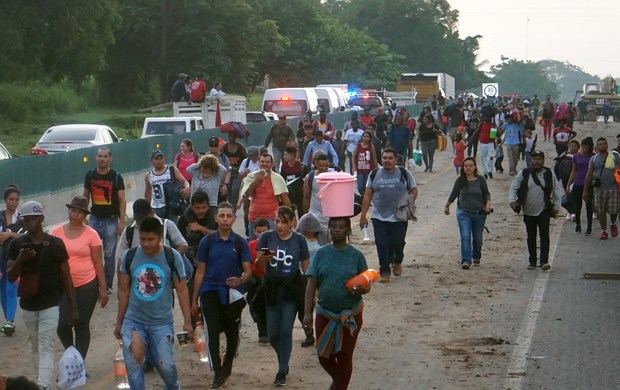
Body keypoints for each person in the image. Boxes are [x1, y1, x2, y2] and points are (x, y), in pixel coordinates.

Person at [114, 216, 192, 390]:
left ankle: (172, 386)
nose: (146, 244)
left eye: (151, 239)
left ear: (160, 237)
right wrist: (119, 321)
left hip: (161, 322)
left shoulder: (173, 257)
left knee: (166, 367)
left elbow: (182, 290)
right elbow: (123, 290)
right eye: (143, 239)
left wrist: (188, 321)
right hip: (134, 320)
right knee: (134, 366)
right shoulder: (130, 256)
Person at [7, 201, 78, 389]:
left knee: (46, 344)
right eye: (27, 219)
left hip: (50, 303)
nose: (30, 223)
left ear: (41, 219)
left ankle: (43, 385)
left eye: (34, 219)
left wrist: (73, 306)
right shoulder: (16, 244)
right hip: (28, 304)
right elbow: (10, 276)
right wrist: (21, 260)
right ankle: (40, 382)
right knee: (36, 345)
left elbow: (66, 276)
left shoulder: (55, 244)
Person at [303, 216, 370, 390]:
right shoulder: (321, 254)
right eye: (333, 226)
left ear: (348, 230)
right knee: (323, 356)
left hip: (351, 315)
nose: (337, 229)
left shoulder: (356, 256)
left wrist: (360, 289)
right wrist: (307, 313)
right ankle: (339, 383)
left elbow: (366, 284)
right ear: (328, 230)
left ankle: (338, 386)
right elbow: (311, 285)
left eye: (341, 226)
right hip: (325, 313)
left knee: (345, 356)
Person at [192, 202, 253, 389]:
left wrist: (240, 281)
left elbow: (248, 270)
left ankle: (227, 366)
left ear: (234, 218)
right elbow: (200, 271)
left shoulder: (240, 242)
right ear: (216, 218)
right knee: (212, 331)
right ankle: (218, 372)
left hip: (233, 295)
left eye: (229, 216)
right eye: (222, 216)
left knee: (232, 334)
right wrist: (194, 299)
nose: (225, 219)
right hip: (210, 291)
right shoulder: (207, 242)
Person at [255, 207, 309, 386]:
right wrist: (263, 258)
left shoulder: (300, 240)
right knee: (272, 333)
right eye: (277, 221)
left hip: (292, 288)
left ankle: (282, 369)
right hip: (271, 288)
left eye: (284, 221)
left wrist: (310, 293)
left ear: (293, 222)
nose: (280, 225)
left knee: (286, 329)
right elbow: (258, 265)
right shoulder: (266, 237)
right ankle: (283, 357)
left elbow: (307, 269)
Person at [50, 196, 107, 362]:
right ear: (69, 211)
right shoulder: (56, 233)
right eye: (72, 210)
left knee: (81, 323)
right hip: (63, 286)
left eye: (79, 212)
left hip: (87, 285)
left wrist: (103, 288)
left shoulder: (92, 235)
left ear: (84, 215)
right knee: (62, 326)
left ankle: (79, 363)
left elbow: (98, 262)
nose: (75, 214)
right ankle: (72, 353)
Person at [359, 148, 418, 283]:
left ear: (395, 159)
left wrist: (408, 202)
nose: (387, 160)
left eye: (390, 158)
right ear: (381, 159)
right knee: (381, 243)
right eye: (385, 158)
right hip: (379, 216)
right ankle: (384, 270)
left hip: (399, 216)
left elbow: (414, 190)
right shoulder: (374, 174)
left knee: (398, 242)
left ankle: (397, 261)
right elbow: (368, 195)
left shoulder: (403, 173)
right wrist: (363, 216)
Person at [509, 151, 564, 270]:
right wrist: (512, 201)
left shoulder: (549, 173)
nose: (537, 161)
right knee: (531, 236)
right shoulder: (523, 173)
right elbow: (513, 188)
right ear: (531, 160)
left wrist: (557, 206)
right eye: (534, 159)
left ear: (543, 161)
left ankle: (544, 261)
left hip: (544, 210)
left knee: (544, 235)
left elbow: (557, 190)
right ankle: (532, 261)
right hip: (528, 210)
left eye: (539, 159)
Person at [83, 146, 126, 293]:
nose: (102, 159)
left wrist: (122, 221)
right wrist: (84, 217)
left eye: (105, 156)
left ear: (110, 159)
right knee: (91, 253)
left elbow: (122, 199)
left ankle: (107, 285)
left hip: (111, 221)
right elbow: (85, 196)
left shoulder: (116, 176)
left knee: (109, 255)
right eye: (100, 156)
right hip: (94, 219)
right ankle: (92, 281)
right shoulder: (90, 175)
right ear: (96, 158)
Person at [116, 199, 189, 273]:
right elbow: (120, 259)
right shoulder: (129, 231)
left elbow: (183, 245)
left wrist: (171, 260)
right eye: (138, 220)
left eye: (144, 219)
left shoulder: (167, 226)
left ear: (152, 213)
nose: (141, 223)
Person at [444, 158, 492, 269]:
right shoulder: (460, 180)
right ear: (463, 167)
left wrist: (488, 204)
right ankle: (466, 260)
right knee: (465, 236)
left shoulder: (480, 180)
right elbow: (454, 194)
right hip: (463, 212)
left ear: (475, 167)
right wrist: (447, 206)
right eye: (466, 165)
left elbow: (486, 194)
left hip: (479, 213)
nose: (468, 168)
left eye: (471, 165)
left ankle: (476, 256)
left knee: (477, 238)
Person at [240, 154, 291, 239]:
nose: (264, 164)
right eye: (262, 161)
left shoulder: (278, 178)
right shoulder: (251, 176)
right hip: (254, 217)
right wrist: (256, 181)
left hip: (271, 217)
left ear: (272, 164)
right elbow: (245, 196)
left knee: (272, 245)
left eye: (267, 162)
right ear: (258, 163)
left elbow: (285, 198)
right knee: (254, 245)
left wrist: (290, 218)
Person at [583, 137, 620, 239]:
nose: (602, 145)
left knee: (614, 210)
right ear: (597, 147)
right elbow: (589, 175)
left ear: (607, 145)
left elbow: (619, 171)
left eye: (604, 144)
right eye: (600, 144)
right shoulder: (594, 159)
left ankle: (613, 224)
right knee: (601, 211)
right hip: (599, 189)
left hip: (613, 188)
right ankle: (604, 230)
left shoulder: (615, 156)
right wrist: (585, 191)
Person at [0, 185, 22, 336]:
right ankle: (8, 319)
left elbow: (27, 236)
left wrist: (11, 235)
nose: (14, 202)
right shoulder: (0, 216)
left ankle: (10, 320)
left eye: (16, 199)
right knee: (2, 290)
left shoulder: (22, 219)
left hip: (14, 259)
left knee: (11, 287)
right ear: (5, 200)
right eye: (11, 199)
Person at [144, 149, 190, 221]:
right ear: (152, 160)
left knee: (172, 228)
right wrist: (147, 208)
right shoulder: (148, 175)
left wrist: (187, 188)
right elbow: (148, 193)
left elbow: (184, 181)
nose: (159, 161)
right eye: (156, 159)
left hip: (171, 206)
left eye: (161, 158)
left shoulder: (171, 169)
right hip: (156, 208)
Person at [246, 218, 271, 344]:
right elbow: (248, 266)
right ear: (255, 232)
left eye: (264, 231)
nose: (261, 234)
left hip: (271, 280)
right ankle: (263, 333)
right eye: (259, 231)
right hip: (256, 282)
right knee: (259, 306)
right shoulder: (250, 246)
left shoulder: (274, 244)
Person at [566, 137, 595, 234]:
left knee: (589, 206)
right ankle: (578, 224)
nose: (584, 148)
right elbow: (573, 171)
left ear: (590, 147)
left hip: (589, 184)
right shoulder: (576, 156)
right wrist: (568, 184)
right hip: (577, 183)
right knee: (577, 205)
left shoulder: (594, 157)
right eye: (582, 146)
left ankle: (589, 227)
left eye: (586, 146)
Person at [304, 153, 334, 229]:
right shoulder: (309, 177)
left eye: (326, 166)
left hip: (331, 215)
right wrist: (305, 215)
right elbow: (306, 197)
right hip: (315, 214)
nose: (324, 168)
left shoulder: (334, 175)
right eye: (321, 166)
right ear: (316, 164)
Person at [279, 146, 308, 217]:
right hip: (289, 195)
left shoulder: (302, 167)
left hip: (300, 195)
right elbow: (282, 181)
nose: (284, 157)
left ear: (292, 155)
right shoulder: (283, 166)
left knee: (301, 215)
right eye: (284, 155)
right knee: (289, 215)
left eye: (286, 155)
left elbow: (306, 182)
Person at [222, 133, 248, 212]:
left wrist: (243, 170)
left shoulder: (240, 147)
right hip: (228, 172)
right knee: (229, 190)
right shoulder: (224, 147)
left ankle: (233, 209)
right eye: (230, 136)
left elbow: (246, 159)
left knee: (235, 189)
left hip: (238, 172)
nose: (231, 138)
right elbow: (220, 157)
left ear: (236, 137)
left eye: (233, 136)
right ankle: (230, 206)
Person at [352, 131, 378, 196]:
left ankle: (366, 199)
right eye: (364, 136)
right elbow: (353, 157)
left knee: (367, 187)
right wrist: (354, 167)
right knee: (360, 187)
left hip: (369, 170)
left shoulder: (371, 147)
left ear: (370, 138)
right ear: (362, 137)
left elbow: (375, 159)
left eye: (368, 137)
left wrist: (377, 170)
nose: (366, 138)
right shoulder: (358, 146)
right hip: (360, 170)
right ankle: (363, 197)